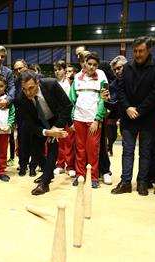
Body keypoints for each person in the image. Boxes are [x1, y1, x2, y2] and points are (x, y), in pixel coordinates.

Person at [111, 36, 155, 196]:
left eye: (141, 51)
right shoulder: (127, 67)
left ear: (149, 50)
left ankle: (142, 182)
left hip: (148, 117)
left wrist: (140, 110)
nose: (137, 54)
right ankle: (126, 182)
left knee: (146, 152)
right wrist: (128, 107)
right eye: (135, 51)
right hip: (128, 117)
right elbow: (120, 91)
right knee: (127, 151)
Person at [17, 70, 71, 195]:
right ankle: (49, 173)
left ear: (38, 83)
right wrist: (46, 132)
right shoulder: (21, 98)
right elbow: (30, 124)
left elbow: (67, 105)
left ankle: (44, 183)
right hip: (39, 123)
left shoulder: (51, 84)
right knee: (35, 151)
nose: (28, 93)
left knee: (52, 147)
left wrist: (57, 127)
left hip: (56, 119)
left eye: (31, 88)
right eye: (25, 89)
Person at [70, 52, 108, 188]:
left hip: (93, 120)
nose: (92, 67)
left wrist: (97, 120)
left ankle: (93, 177)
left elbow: (103, 100)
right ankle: (80, 175)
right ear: (84, 63)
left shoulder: (102, 76)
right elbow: (72, 99)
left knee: (92, 149)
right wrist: (73, 118)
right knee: (79, 149)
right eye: (89, 64)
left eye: (95, 65)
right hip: (79, 119)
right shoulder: (77, 77)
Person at [99, 55, 128, 185]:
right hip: (117, 119)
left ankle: (144, 180)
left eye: (119, 68)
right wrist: (106, 101)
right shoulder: (113, 85)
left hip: (140, 117)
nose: (117, 71)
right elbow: (112, 102)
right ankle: (125, 180)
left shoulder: (135, 78)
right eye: (114, 69)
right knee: (127, 150)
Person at [0, 45, 16, 166]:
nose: (0, 58)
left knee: (3, 144)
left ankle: (1, 168)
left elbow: (12, 88)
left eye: (2, 56)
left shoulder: (8, 72)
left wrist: (7, 100)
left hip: (5, 107)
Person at [53, 59, 75, 177]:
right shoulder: (53, 83)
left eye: (59, 69)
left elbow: (70, 102)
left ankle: (70, 166)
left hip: (68, 117)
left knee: (69, 142)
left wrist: (69, 119)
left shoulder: (69, 83)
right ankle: (60, 165)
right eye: (55, 70)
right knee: (60, 142)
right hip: (58, 116)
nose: (57, 72)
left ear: (65, 71)